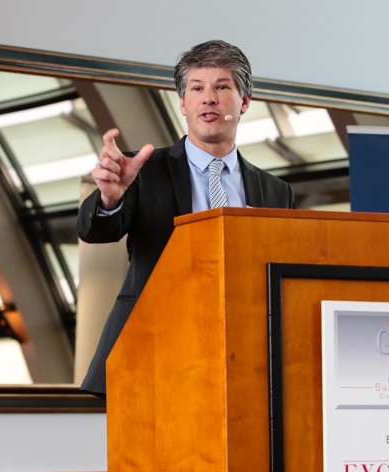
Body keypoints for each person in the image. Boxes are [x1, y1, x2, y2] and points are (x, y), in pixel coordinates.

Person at [78, 40, 296, 396]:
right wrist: (109, 197)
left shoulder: (276, 192)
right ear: (183, 104)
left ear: (244, 102)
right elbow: (96, 231)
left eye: (221, 87)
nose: (208, 98)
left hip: (243, 356)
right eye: (196, 89)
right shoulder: (143, 170)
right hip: (153, 349)